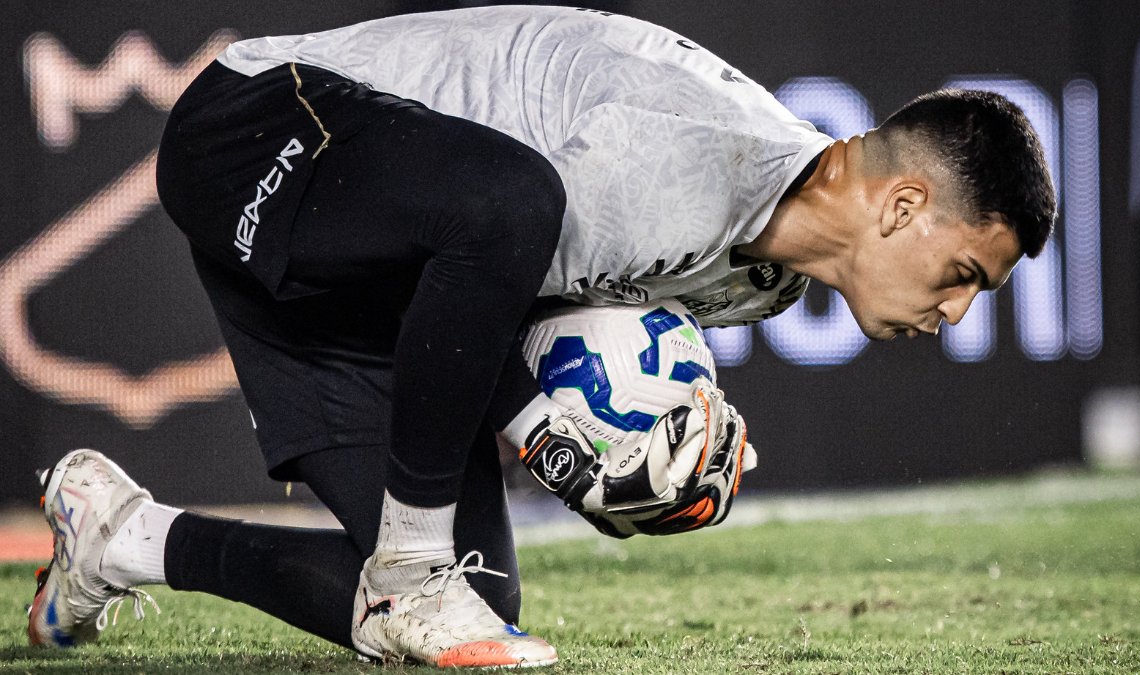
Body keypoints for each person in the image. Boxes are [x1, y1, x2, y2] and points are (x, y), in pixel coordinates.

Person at [26, 5, 1055, 669]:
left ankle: (120, 536)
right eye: (964, 273)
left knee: (474, 604)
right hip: (260, 128)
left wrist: (627, 462)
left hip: (363, 262)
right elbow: (497, 250)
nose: (957, 311)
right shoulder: (679, 160)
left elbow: (495, 323)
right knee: (513, 206)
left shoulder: (769, 286)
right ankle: (411, 567)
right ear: (902, 204)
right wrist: (559, 430)